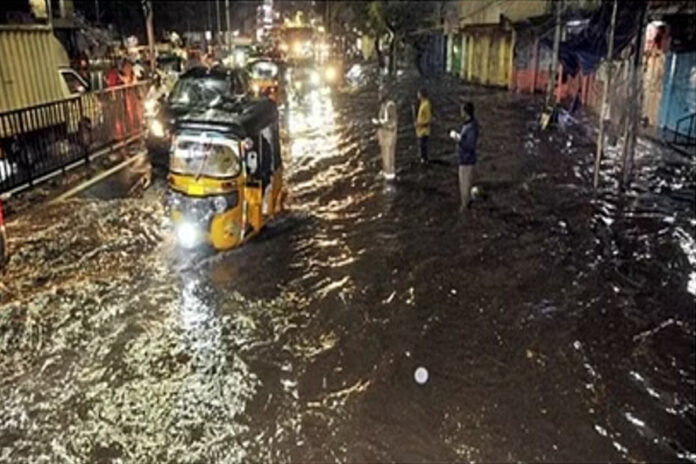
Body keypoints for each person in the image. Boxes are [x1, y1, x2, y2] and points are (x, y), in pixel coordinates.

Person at [449, 102, 479, 212]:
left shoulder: (471, 127)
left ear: (466, 112)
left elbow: (470, 145)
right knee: (466, 188)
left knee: (464, 189)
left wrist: (458, 138)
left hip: (466, 162)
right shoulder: (469, 125)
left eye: (462, 111)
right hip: (466, 160)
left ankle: (465, 211)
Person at [372, 87, 398, 181]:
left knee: (389, 158)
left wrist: (380, 123)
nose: (378, 96)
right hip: (384, 137)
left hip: (389, 137)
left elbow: (392, 122)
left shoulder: (390, 106)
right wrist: (377, 134)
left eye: (380, 94)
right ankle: (386, 173)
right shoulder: (383, 106)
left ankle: (390, 178)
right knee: (385, 157)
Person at [415, 88, 432, 163]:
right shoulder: (422, 104)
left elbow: (428, 119)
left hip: (424, 131)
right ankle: (423, 159)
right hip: (420, 130)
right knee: (421, 147)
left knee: (423, 147)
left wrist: (419, 124)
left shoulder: (426, 104)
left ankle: (424, 160)